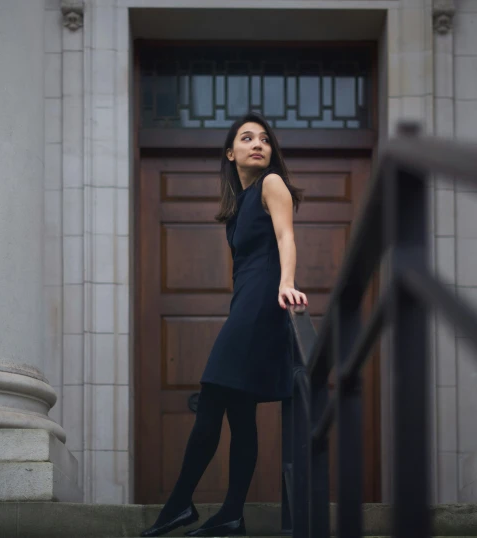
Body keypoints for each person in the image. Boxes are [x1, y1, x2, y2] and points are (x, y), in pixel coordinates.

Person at [140, 112, 307, 537]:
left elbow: (286, 237)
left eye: (265, 139)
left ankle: (179, 504)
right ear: (230, 153)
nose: (258, 144)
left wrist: (288, 283)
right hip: (244, 307)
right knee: (239, 410)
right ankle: (232, 514)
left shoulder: (272, 184)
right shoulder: (236, 209)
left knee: (213, 394)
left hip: (262, 307)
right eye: (247, 138)